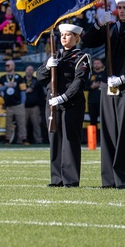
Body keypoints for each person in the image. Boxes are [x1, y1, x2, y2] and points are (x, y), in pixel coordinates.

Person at [81, 0, 125, 189]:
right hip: (107, 85)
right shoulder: (110, 28)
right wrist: (97, 24)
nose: (122, 11)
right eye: (119, 7)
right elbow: (87, 42)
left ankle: (124, 179)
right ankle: (109, 179)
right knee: (108, 132)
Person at [37, 24, 90, 188]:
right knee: (55, 139)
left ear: (76, 38)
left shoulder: (81, 57)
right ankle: (57, 178)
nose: (64, 38)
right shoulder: (55, 55)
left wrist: (63, 98)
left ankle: (71, 179)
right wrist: (47, 67)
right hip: (52, 103)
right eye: (62, 35)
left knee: (70, 140)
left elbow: (79, 81)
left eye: (68, 35)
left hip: (71, 103)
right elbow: (39, 76)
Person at [0, 59, 27, 145]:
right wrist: (6, 86)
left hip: (18, 104)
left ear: (13, 66)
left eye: (9, 65)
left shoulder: (19, 77)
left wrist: (22, 103)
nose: (7, 67)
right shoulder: (2, 78)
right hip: (8, 105)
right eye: (6, 65)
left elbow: (23, 91)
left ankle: (24, 139)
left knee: (21, 123)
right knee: (8, 124)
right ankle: (7, 139)